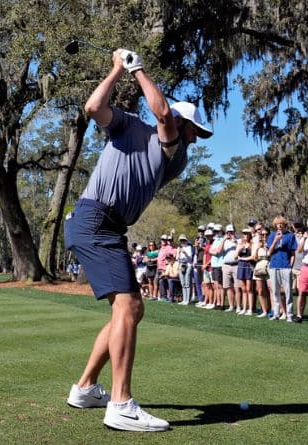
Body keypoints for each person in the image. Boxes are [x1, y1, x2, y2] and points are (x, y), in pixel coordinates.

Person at [64, 48, 212, 432]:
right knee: (128, 308)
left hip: (107, 227)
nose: (196, 139)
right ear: (184, 122)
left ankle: (85, 387)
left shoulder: (173, 154)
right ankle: (121, 404)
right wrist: (120, 69)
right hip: (94, 219)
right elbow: (94, 107)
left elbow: (162, 115)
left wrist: (138, 70)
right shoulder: (129, 125)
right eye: (196, 130)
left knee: (129, 310)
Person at [267, 216, 298, 321]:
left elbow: (293, 253)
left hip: (285, 266)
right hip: (274, 266)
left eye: (281, 224)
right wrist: (276, 240)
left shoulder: (290, 236)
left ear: (285, 225)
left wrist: (290, 266)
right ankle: (276, 313)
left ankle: (289, 315)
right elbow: (268, 252)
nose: (279, 226)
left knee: (288, 292)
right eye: (277, 224)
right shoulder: (272, 235)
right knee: (275, 292)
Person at [236, 228, 255, 315]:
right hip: (241, 266)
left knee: (249, 289)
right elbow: (235, 256)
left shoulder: (252, 244)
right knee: (243, 289)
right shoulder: (240, 244)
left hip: (248, 266)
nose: (246, 235)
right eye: (244, 234)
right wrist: (240, 248)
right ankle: (244, 308)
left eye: (247, 234)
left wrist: (242, 258)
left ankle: (250, 309)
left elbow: (253, 257)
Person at [177, 234, 195, 305]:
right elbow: (177, 258)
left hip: (188, 265)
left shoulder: (189, 247)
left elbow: (190, 258)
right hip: (181, 265)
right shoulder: (179, 248)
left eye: (183, 240)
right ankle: (184, 299)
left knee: (187, 282)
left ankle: (188, 299)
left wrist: (185, 253)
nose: (182, 241)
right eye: (181, 240)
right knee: (183, 283)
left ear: (186, 240)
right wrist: (178, 253)